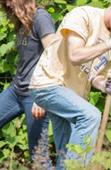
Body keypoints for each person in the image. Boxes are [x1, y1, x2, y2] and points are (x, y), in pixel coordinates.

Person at [28, 0, 111, 169]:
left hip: (71, 95)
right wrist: (109, 44)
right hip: (50, 83)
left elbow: (94, 76)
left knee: (66, 151)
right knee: (90, 116)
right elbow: (75, 56)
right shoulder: (83, 15)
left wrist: (104, 84)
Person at [0, 0, 55, 162]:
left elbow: (54, 56)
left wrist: (43, 95)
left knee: (38, 155)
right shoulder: (21, 21)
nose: (7, 5)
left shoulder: (41, 18)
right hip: (16, 90)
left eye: (10, 1)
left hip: (36, 94)